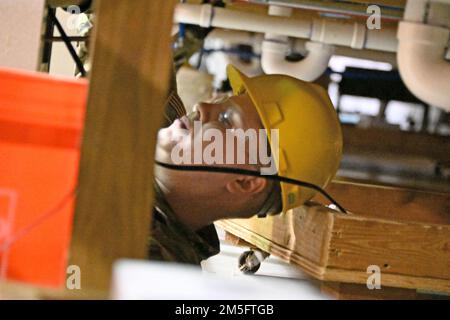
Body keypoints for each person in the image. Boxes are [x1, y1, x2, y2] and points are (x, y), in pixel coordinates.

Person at [149, 64, 343, 265]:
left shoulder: (146, 267)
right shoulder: (149, 113)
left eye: (226, 120)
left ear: (245, 181)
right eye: (219, 102)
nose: (202, 107)